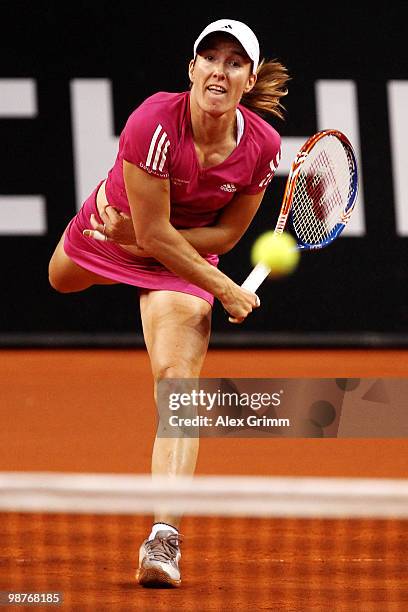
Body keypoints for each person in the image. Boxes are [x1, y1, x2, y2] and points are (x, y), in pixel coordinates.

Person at [48, 18, 289, 587]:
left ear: (249, 79)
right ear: (192, 69)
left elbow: (226, 238)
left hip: (183, 258)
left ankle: (164, 538)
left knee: (178, 385)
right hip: (115, 227)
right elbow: (151, 232)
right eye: (211, 58)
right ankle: (123, 271)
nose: (220, 70)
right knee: (59, 280)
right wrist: (226, 288)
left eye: (235, 63)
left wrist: (194, 268)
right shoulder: (153, 122)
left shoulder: (262, 146)